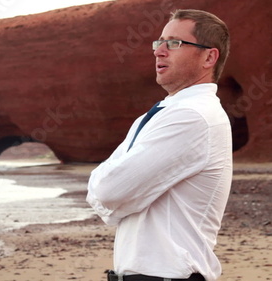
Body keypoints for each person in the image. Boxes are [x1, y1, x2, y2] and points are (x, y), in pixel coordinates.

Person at [87, 9, 231, 281]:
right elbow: (108, 187)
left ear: (209, 57)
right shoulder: (161, 113)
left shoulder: (193, 117)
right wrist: (113, 193)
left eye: (174, 43)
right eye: (159, 42)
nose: (159, 51)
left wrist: (112, 195)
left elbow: (107, 189)